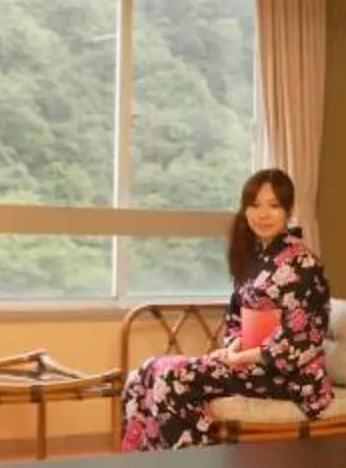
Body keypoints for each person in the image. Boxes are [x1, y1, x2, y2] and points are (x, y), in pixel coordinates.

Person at [117, 169, 335, 450]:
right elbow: (236, 317)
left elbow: (300, 338)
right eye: (254, 205)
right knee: (141, 374)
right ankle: (145, 465)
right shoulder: (253, 255)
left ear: (288, 210)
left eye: (274, 206)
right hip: (248, 362)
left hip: (288, 374)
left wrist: (242, 357)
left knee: (172, 376)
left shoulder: (304, 263)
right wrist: (234, 347)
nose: (263, 214)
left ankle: (194, 464)